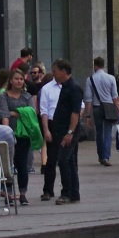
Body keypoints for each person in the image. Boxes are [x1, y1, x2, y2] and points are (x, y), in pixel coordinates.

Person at [0, 67, 38, 205]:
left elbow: (31, 112)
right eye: (16, 79)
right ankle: (8, 194)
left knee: (22, 165)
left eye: (21, 79)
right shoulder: (3, 96)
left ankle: (22, 193)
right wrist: (7, 133)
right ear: (10, 81)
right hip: (8, 134)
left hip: (24, 134)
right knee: (8, 166)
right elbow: (4, 114)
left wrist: (14, 112)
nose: (19, 81)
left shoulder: (27, 96)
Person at [46, 59, 83, 205]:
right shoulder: (65, 87)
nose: (53, 74)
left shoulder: (74, 88)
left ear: (63, 71)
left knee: (63, 160)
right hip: (61, 130)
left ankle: (67, 193)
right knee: (70, 161)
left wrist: (70, 132)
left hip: (68, 131)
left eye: (55, 71)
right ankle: (74, 193)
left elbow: (75, 113)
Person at [83, 57, 119, 166]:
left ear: (95, 66)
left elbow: (88, 99)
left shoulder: (90, 79)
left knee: (99, 132)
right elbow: (115, 96)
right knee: (107, 132)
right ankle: (106, 156)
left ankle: (101, 156)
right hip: (109, 107)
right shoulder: (111, 78)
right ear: (103, 65)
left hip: (97, 107)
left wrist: (87, 115)